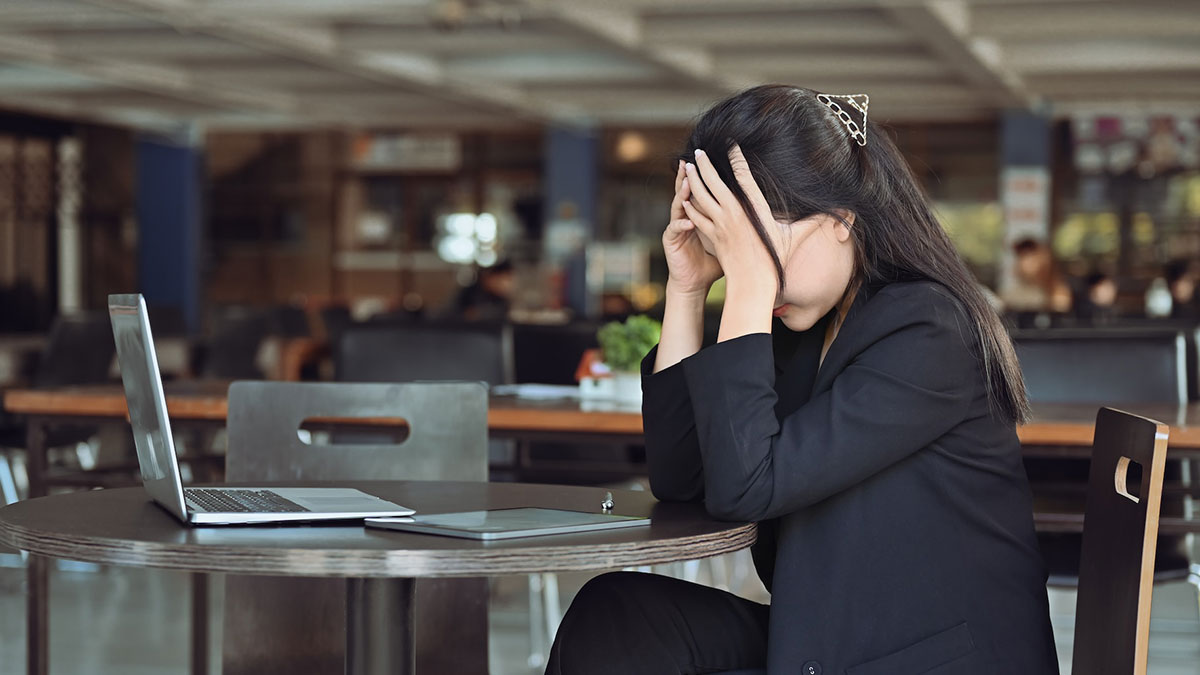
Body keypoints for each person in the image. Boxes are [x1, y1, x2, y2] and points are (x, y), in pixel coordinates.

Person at [546, 85, 1058, 674]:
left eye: (757, 250)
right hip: (832, 639)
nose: (747, 273)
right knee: (618, 616)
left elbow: (748, 487)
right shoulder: (803, 327)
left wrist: (749, 285)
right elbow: (681, 478)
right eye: (730, 252)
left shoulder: (931, 329)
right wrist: (687, 288)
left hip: (928, 658)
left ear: (841, 217)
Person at [1002, 238, 1073, 315]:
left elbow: (1060, 309)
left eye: (1025, 256)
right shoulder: (1019, 288)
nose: (1020, 262)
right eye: (1019, 257)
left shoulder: (1058, 290)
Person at [443, 260, 515, 321]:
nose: (507, 285)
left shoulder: (501, 299)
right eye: (503, 280)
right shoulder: (470, 294)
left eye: (509, 280)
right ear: (490, 277)